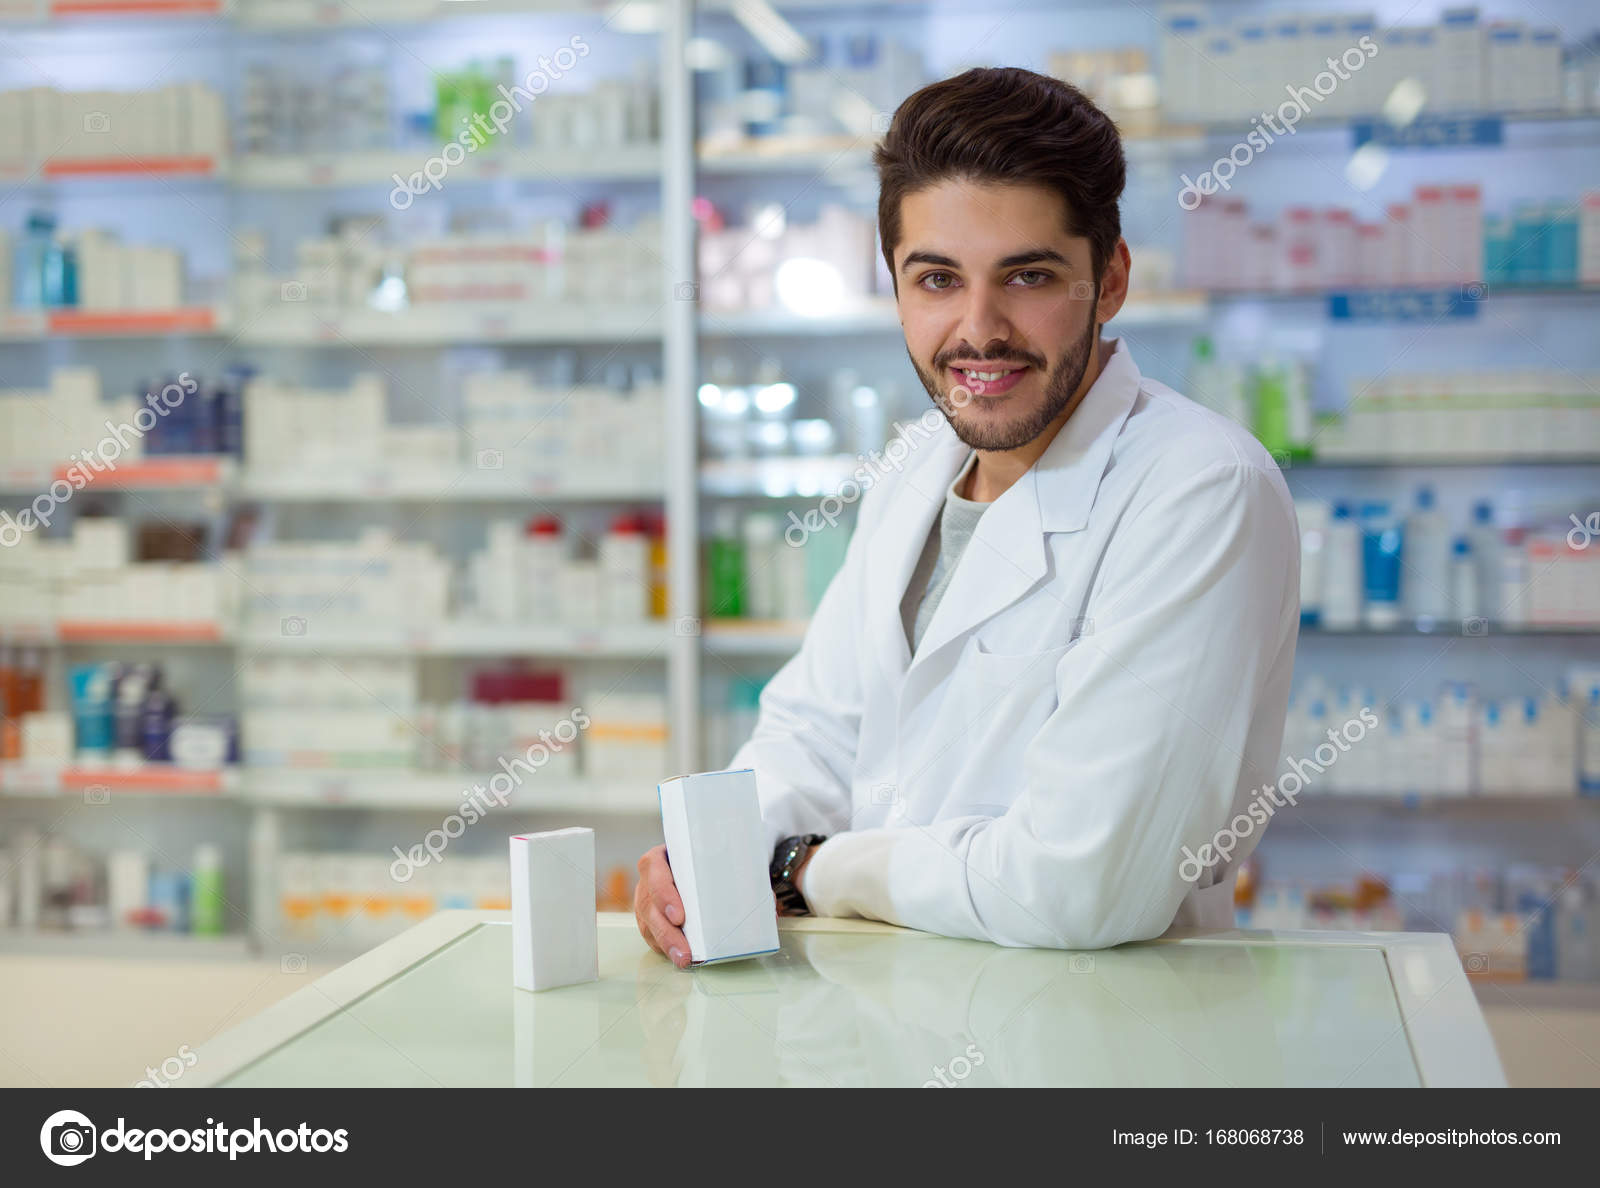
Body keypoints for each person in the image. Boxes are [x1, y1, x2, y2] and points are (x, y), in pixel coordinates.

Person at [636, 66, 1299, 967]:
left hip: (1099, 1037)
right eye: (937, 279)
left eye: (1026, 276)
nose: (979, 330)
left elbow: (1080, 882)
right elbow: (816, 730)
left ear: (1109, 282)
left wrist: (806, 870)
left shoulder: (1200, 488)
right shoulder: (916, 463)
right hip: (890, 1009)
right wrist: (717, 853)